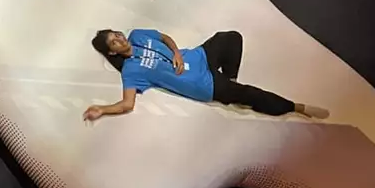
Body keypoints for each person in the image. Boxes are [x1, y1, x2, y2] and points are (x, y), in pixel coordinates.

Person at [84, 29, 329, 122]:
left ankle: (230, 81)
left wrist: (177, 53)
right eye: (113, 42)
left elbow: (164, 37)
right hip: (203, 84)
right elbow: (127, 104)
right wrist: (102, 109)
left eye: (116, 34)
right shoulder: (131, 72)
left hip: (199, 56)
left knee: (230, 37)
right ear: (111, 51)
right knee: (249, 94)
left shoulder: (137, 34)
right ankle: (296, 107)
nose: (118, 38)